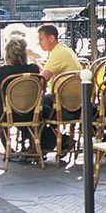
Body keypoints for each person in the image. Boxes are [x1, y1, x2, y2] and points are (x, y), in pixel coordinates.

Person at [37, 24, 82, 152]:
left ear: (51, 38)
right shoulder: (64, 49)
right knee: (42, 106)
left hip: (65, 102)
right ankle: (60, 140)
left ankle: (45, 144)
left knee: (35, 108)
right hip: (76, 99)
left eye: (41, 39)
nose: (39, 43)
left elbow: (42, 80)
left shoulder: (57, 53)